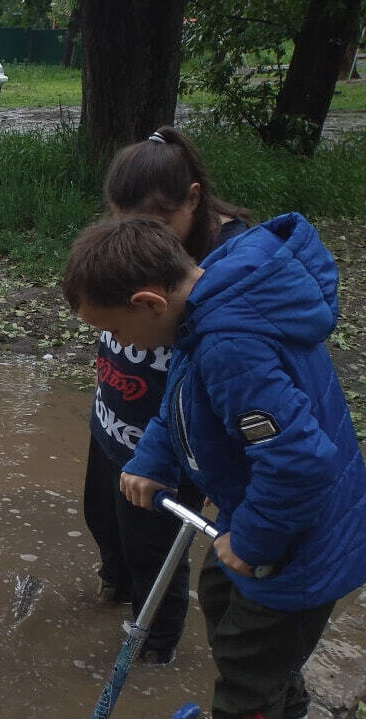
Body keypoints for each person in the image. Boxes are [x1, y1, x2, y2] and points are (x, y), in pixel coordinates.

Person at [63, 214, 366, 719]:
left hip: (301, 544)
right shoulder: (206, 303)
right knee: (226, 607)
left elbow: (300, 462)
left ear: (148, 303)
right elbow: (182, 393)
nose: (124, 344)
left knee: (249, 678)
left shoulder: (229, 344)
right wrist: (153, 457)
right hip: (265, 513)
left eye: (115, 329)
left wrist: (251, 540)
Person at [83, 126, 252, 666]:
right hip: (115, 414)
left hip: (167, 442)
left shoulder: (227, 277)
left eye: (151, 225)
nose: (136, 237)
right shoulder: (152, 245)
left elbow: (227, 389)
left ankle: (153, 647)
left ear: (194, 200)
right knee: (104, 520)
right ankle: (116, 587)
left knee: (154, 551)